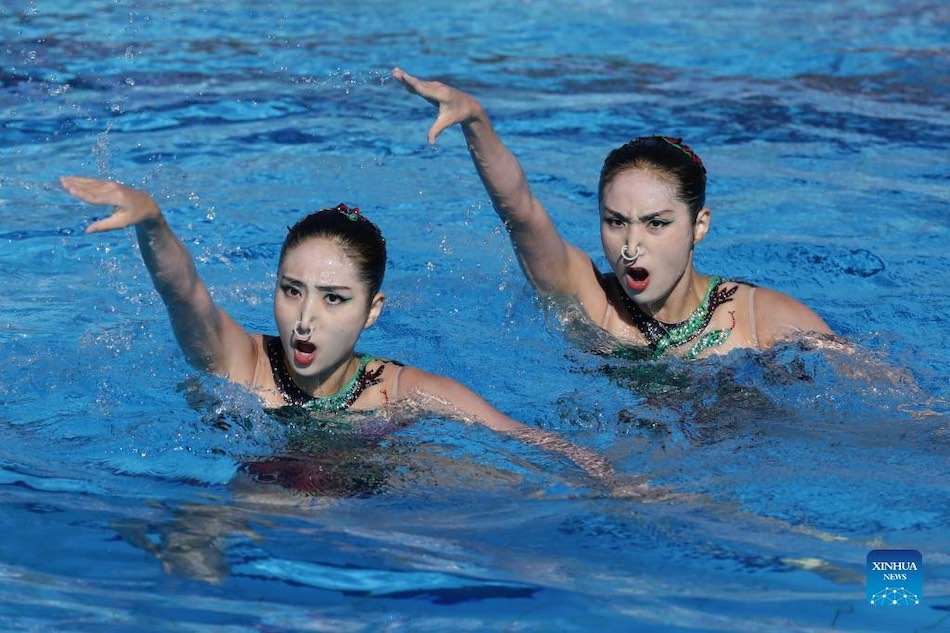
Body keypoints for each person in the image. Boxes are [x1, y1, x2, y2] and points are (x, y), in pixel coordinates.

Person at [60, 176, 620, 492]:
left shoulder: (399, 391)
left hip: (372, 486)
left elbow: (528, 440)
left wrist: (615, 486)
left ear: (372, 310)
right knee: (204, 532)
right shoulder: (243, 362)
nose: (305, 319)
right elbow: (185, 294)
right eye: (291, 290)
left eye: (334, 299)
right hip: (264, 498)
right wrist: (153, 222)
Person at [392, 68, 833, 360]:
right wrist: (475, 119)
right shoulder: (591, 302)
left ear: (699, 226)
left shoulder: (761, 320)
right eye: (616, 221)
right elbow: (521, 212)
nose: (630, 246)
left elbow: (878, 390)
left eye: (657, 223)